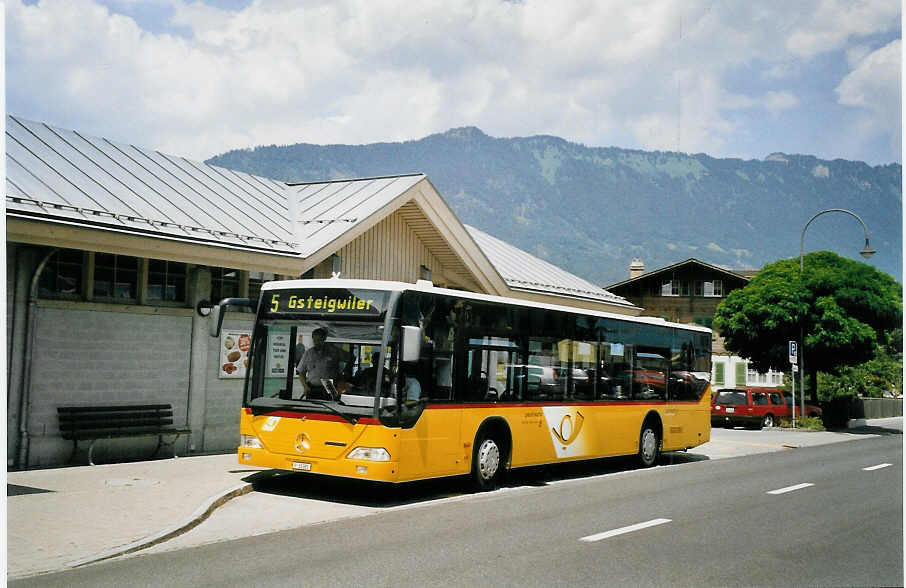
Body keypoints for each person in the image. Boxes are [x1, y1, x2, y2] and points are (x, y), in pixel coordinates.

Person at [296, 327, 350, 399]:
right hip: (312, 388)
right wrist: (305, 387)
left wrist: (345, 372)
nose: (317, 343)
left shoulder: (334, 351)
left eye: (319, 340)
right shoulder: (308, 353)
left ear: (324, 339)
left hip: (330, 389)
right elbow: (301, 373)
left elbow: (351, 358)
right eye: (315, 340)